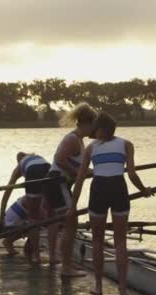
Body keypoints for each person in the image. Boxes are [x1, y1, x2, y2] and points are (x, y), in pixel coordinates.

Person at [67, 112, 153, 295]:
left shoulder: (91, 148)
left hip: (98, 190)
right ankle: (122, 289)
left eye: (96, 129)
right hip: (118, 189)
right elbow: (131, 175)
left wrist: (72, 208)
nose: (94, 133)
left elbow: (80, 179)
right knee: (121, 241)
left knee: (97, 241)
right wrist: (144, 190)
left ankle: (98, 286)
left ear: (101, 130)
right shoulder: (126, 144)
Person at [44, 102, 97, 278]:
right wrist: (79, 173)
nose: (94, 130)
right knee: (71, 222)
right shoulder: (72, 139)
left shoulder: (79, 140)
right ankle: (66, 268)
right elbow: (60, 160)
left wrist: (90, 172)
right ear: (86, 124)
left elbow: (75, 165)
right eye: (93, 126)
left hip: (60, 184)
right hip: (57, 183)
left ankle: (59, 260)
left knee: (62, 222)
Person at [0, 152, 52, 263]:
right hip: (49, 168)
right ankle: (50, 255)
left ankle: (36, 255)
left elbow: (8, 191)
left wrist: (1, 215)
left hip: (35, 172)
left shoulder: (21, 166)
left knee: (34, 217)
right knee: (49, 213)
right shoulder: (39, 158)